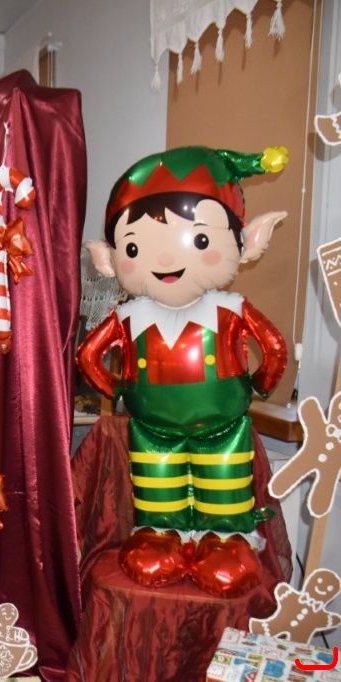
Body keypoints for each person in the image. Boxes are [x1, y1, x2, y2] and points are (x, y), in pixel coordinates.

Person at [76, 145, 289, 598]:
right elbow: (88, 356)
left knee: (224, 487)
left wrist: (258, 385)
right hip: (152, 430)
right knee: (157, 491)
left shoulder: (231, 308)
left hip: (223, 428)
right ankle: (160, 534)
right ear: (108, 259)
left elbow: (273, 349)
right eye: (135, 247)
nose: (164, 260)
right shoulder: (128, 316)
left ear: (248, 242)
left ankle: (226, 538)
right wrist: (119, 390)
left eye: (200, 241)